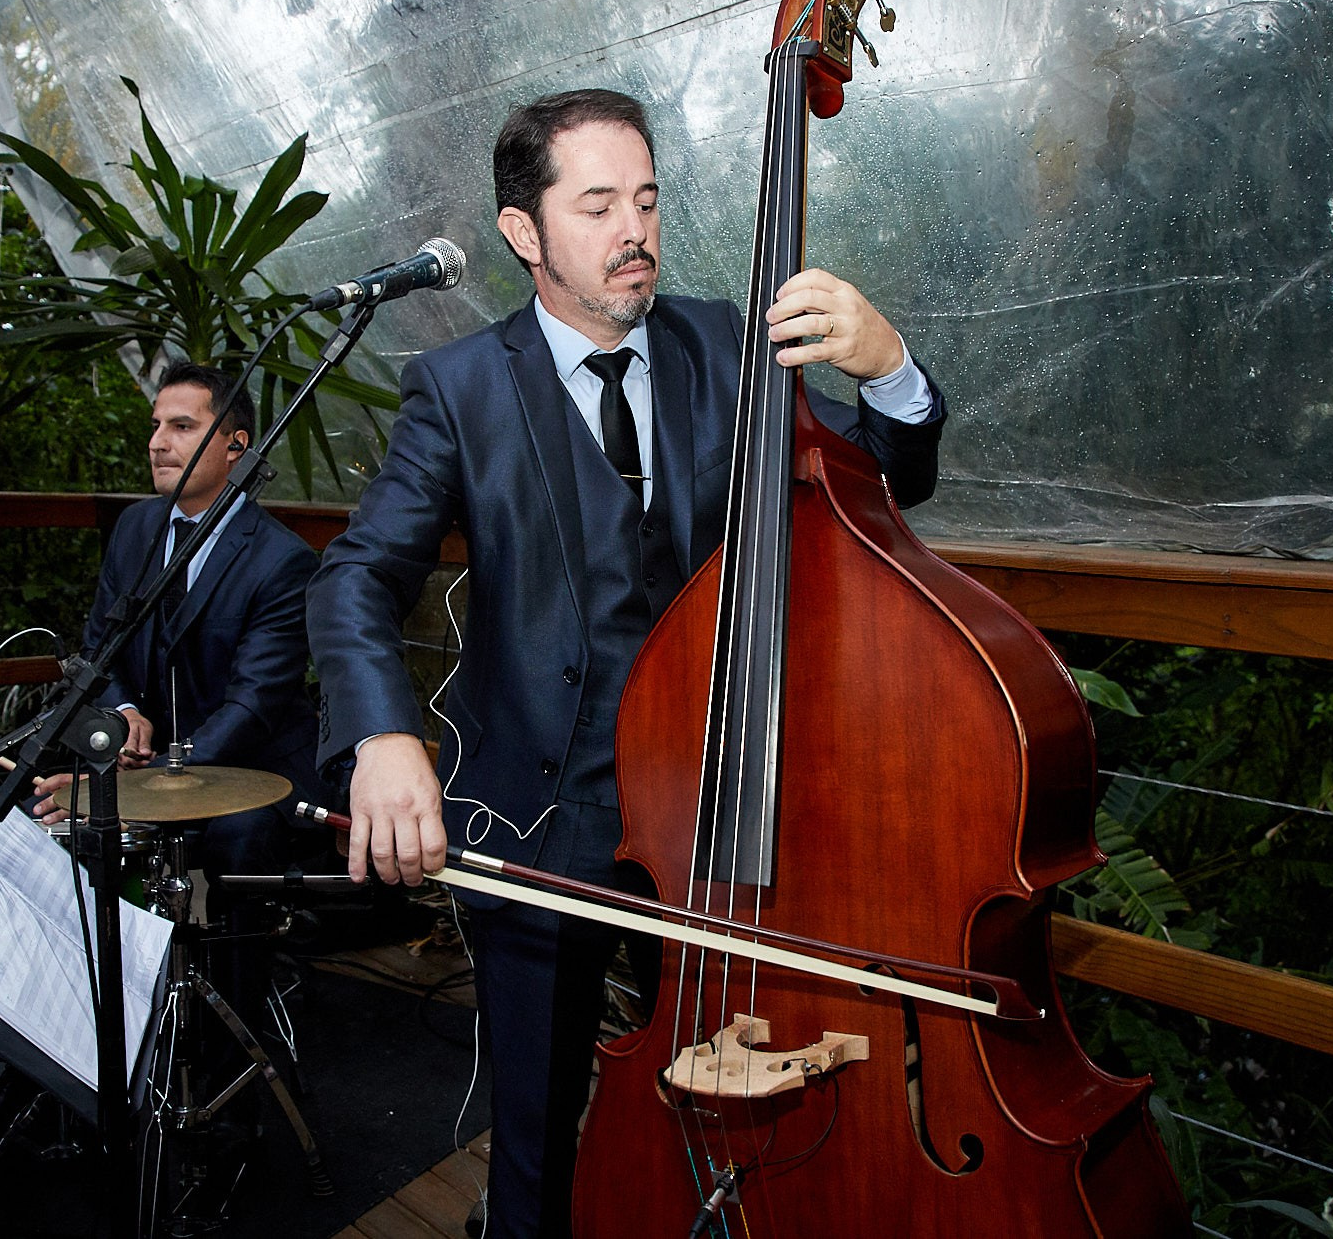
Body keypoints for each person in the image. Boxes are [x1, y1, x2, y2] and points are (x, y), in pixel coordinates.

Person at [306, 88, 947, 1237]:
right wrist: (383, 736)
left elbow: (879, 483)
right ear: (523, 232)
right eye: (596, 205)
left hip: (713, 817)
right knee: (538, 1133)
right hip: (537, 822)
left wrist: (889, 366)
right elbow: (355, 575)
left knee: (733, 1102)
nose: (632, 230)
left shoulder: (725, 343)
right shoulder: (458, 388)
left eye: (645, 200)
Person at [34, 360, 320, 1005]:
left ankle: (234, 1020)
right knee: (51, 811)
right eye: (156, 425)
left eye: (182, 426)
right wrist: (122, 713)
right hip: (148, 760)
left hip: (255, 768)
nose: (157, 442)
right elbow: (99, 651)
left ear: (236, 446)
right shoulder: (135, 528)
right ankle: (105, 1005)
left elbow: (253, 705)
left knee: (237, 837)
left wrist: (150, 779)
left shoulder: (283, 560)